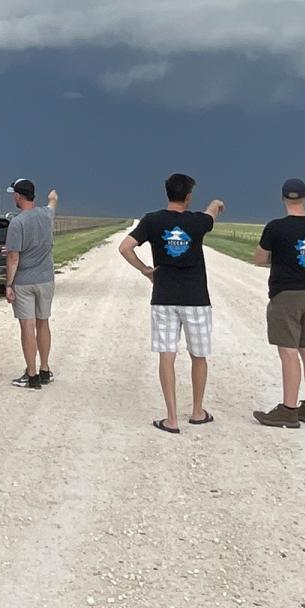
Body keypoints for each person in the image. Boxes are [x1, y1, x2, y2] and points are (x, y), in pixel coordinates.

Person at [118, 173, 225, 434]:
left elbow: (125, 247)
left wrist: (146, 270)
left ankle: (172, 418)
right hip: (196, 299)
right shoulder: (197, 222)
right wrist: (215, 204)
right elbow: (211, 214)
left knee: (167, 356)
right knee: (198, 356)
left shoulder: (152, 220)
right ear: (189, 197)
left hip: (164, 298)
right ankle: (198, 412)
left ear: (167, 193)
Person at [252, 178, 305, 428]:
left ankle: (288, 409)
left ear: (283, 198)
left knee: (288, 352)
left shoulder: (275, 228)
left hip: (285, 294)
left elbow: (259, 259)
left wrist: (279, 258)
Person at [4, 179, 58, 389]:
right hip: (45, 278)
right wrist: (52, 197)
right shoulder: (47, 214)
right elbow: (53, 203)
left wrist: (9, 284)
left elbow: (13, 258)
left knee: (27, 325)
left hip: (24, 282)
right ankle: (45, 369)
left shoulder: (17, 223)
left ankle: (32, 374)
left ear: (18, 196)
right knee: (43, 322)